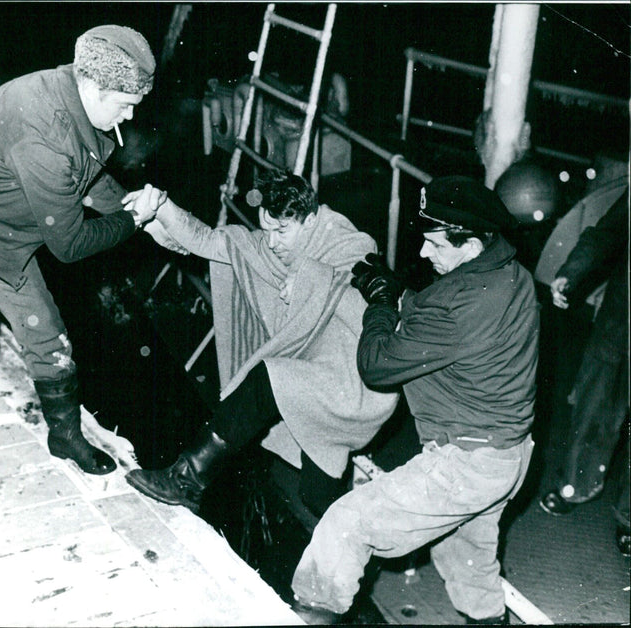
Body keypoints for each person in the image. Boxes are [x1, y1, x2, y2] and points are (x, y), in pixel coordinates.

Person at [0, 25, 163, 525]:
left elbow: (88, 176)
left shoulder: (76, 100)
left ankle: (63, 436)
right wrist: (134, 220)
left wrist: (133, 207)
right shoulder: (44, 128)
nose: (131, 115)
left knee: (49, 336)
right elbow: (70, 244)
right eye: (125, 104)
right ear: (95, 88)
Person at [291, 176, 539, 625]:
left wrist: (381, 305)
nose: (424, 253)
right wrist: (395, 291)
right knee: (470, 565)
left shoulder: (460, 305)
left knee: (345, 525)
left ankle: (311, 616)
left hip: (465, 465)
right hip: (509, 455)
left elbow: (378, 365)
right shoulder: (512, 276)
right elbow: (443, 317)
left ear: (470, 244)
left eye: (435, 244)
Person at [123, 169, 399, 517]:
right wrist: (162, 207)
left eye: (282, 231)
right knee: (318, 497)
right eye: (266, 230)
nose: (272, 243)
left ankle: (188, 479)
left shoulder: (348, 242)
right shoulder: (276, 244)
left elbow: (356, 270)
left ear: (310, 220)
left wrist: (309, 273)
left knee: (268, 378)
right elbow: (211, 241)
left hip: (356, 382)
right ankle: (364, 537)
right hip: (316, 376)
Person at [538, 187, 629, 557]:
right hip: (619, 323)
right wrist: (572, 271)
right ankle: (574, 484)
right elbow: (608, 231)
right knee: (594, 405)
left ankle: (629, 518)